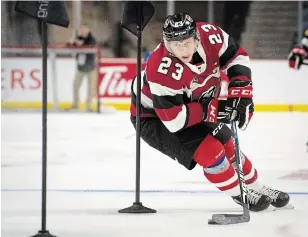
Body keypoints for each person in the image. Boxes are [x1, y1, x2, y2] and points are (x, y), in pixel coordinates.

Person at [130, 12, 290, 212]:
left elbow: (236, 56)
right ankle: (241, 195)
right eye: (176, 45)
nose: (183, 49)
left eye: (187, 42)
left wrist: (242, 91)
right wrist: (214, 109)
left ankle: (257, 188)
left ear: (196, 37)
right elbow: (174, 120)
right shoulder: (161, 68)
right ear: (166, 43)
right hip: (154, 116)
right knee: (210, 150)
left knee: (228, 142)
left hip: (194, 104)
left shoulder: (209, 35)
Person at [67, 24, 97, 112]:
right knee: (75, 86)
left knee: (90, 88)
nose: (83, 31)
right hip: (80, 67)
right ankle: (76, 104)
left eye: (84, 29)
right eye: (82, 29)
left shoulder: (91, 39)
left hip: (90, 67)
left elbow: (88, 45)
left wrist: (78, 43)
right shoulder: (78, 37)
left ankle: (89, 106)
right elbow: (69, 46)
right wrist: (70, 42)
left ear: (88, 30)